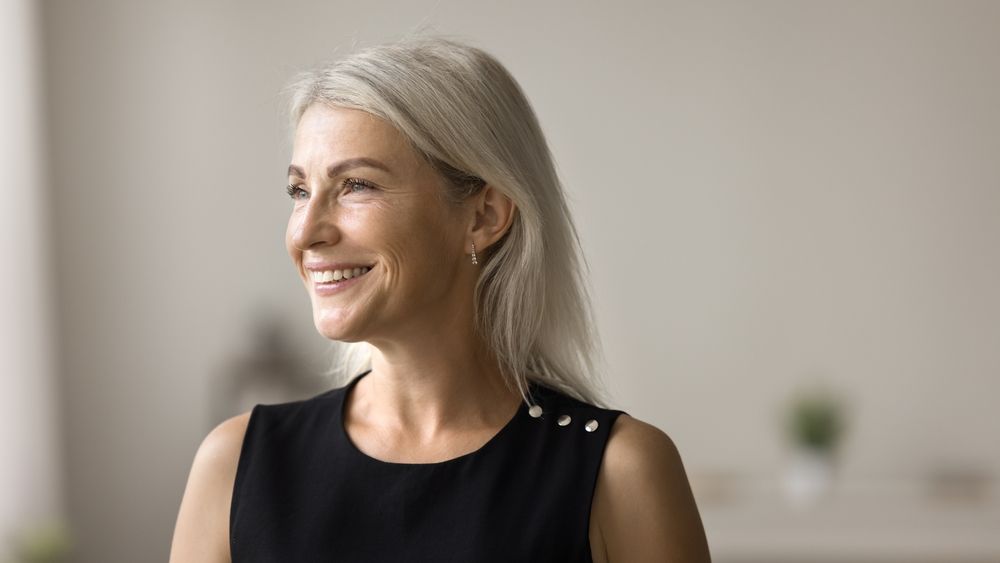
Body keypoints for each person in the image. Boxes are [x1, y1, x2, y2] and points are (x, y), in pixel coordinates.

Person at [170, 37, 710, 562]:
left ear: (484, 216)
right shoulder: (235, 463)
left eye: (356, 185)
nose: (306, 232)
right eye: (299, 191)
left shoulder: (621, 472)